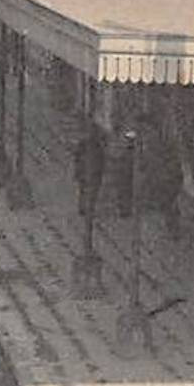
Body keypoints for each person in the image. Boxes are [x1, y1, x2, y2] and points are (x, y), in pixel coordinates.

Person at [74, 120, 108, 292]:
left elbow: (99, 162)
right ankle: (85, 208)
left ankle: (87, 209)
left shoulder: (95, 147)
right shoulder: (87, 146)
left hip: (92, 176)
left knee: (89, 194)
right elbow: (78, 158)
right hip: (88, 175)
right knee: (85, 192)